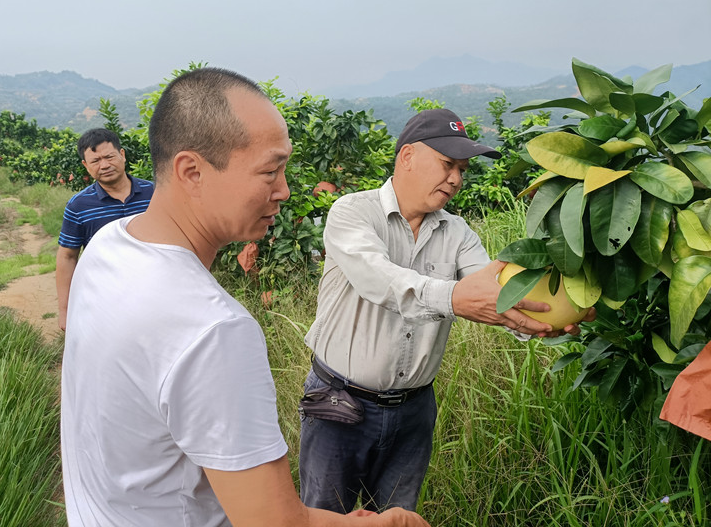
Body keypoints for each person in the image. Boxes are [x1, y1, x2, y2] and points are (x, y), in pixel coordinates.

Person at [60, 67, 429, 527]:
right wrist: (383, 522)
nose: (285, 190)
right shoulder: (212, 329)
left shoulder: (110, 245)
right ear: (191, 171)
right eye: (270, 171)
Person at [299, 108, 590, 513]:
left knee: (398, 518)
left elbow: (495, 292)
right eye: (447, 164)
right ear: (407, 157)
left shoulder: (457, 233)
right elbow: (379, 279)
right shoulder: (353, 212)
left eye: (462, 169)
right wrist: (454, 298)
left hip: (413, 410)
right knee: (325, 517)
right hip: (339, 403)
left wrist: (541, 319)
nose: (455, 179)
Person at [55, 128, 154, 331]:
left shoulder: (155, 193)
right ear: (85, 165)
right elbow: (67, 257)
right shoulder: (78, 206)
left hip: (155, 292)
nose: (105, 165)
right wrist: (65, 310)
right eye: (95, 161)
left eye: (109, 157)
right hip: (105, 300)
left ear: (122, 155)